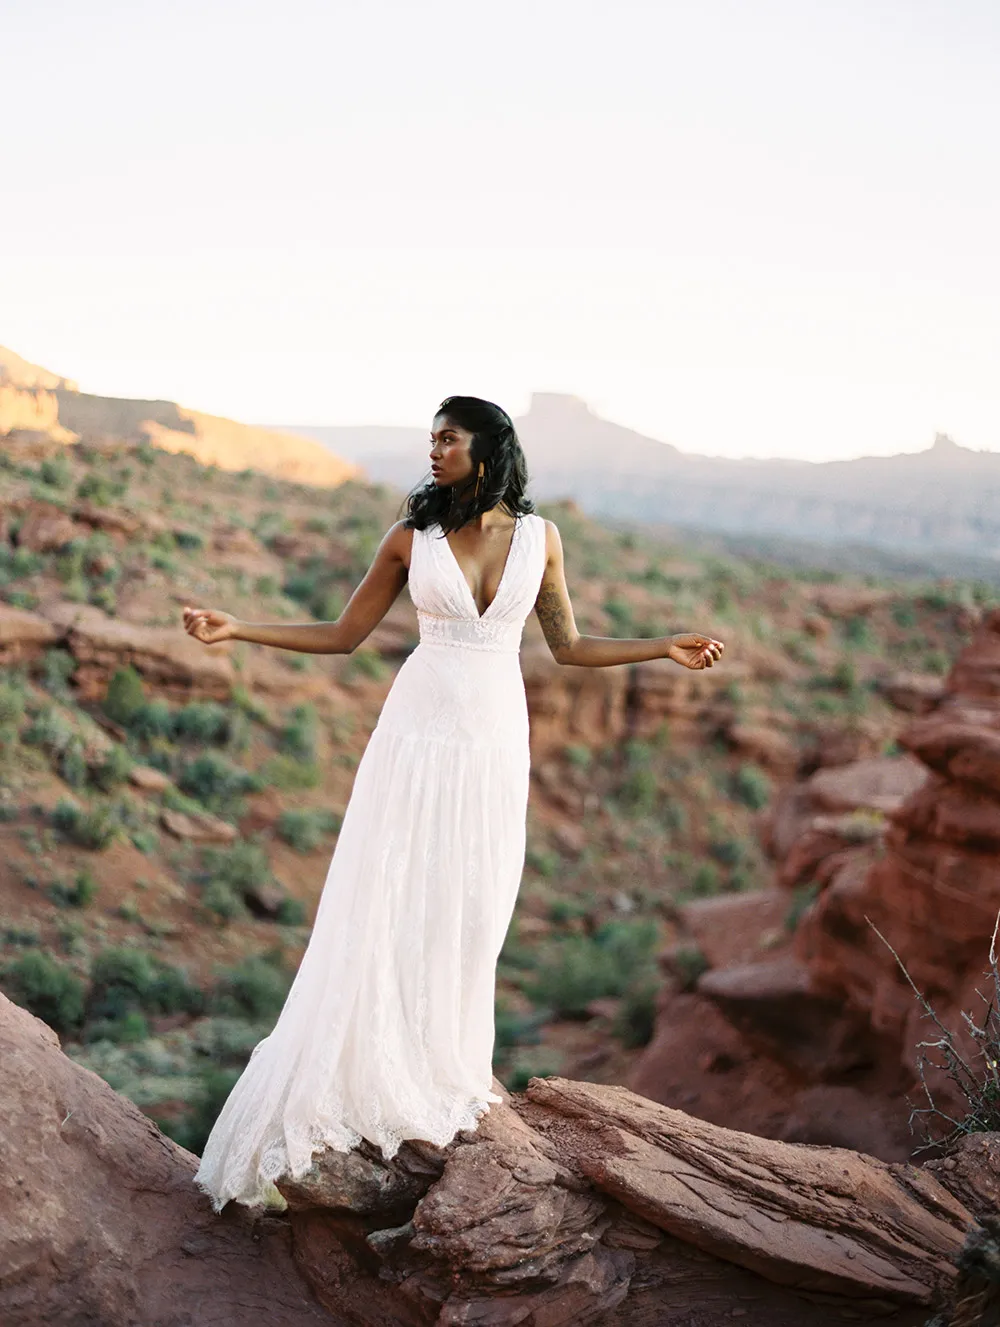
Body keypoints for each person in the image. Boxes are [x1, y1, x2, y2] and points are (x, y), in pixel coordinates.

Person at [182, 394, 724, 1213]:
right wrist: (239, 629)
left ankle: (441, 1066)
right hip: (414, 737)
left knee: (471, 908)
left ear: (488, 448)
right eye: (430, 437)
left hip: (492, 746)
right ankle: (362, 1077)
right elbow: (342, 634)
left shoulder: (542, 539)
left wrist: (663, 645)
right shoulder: (410, 537)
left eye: (448, 437)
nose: (432, 450)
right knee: (387, 895)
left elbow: (570, 647)